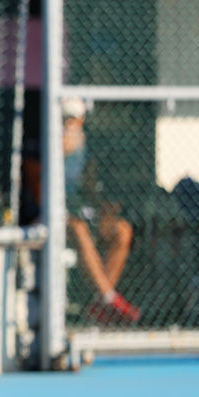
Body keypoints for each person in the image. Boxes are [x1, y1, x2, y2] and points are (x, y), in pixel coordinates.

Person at [61, 97, 139, 323]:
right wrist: (62, 149)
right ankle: (109, 298)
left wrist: (101, 206)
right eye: (67, 119)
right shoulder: (48, 142)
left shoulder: (86, 143)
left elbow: (88, 185)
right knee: (79, 229)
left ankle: (100, 303)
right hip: (58, 211)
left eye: (76, 119)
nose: (71, 124)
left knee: (122, 230)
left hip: (81, 208)